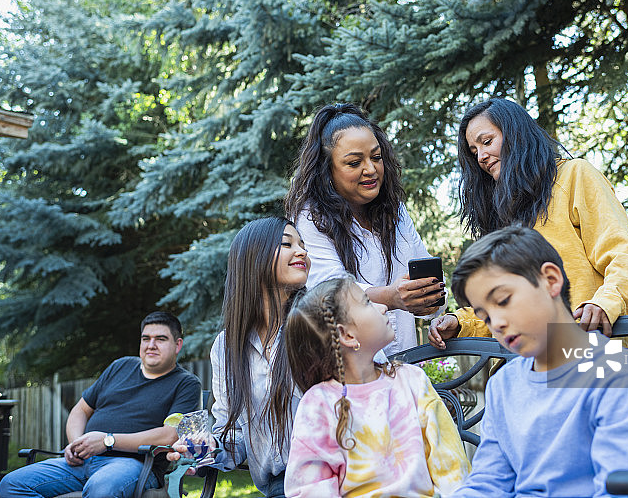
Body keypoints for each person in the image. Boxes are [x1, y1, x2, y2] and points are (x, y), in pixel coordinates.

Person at [449, 226, 628, 497]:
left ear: (551, 280)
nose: (498, 324)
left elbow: (623, 490)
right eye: (486, 318)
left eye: (503, 301)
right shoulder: (503, 384)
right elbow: (489, 482)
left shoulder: (618, 372)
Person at [429, 97, 628, 353]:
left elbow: (623, 254)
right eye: (474, 151)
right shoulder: (502, 211)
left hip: (598, 350)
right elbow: (504, 299)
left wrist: (605, 303)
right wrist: (460, 322)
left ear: (516, 134)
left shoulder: (575, 175)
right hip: (531, 366)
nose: (481, 156)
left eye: (487, 142)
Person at [285, 103, 451, 356]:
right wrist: (390, 297)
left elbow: (424, 266)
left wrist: (434, 307)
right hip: (349, 369)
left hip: (404, 368)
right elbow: (329, 289)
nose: (371, 170)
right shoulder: (311, 217)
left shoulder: (396, 211)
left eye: (376, 157)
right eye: (354, 163)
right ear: (327, 171)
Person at [284, 276, 470, 497]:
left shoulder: (412, 381)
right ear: (347, 335)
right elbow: (310, 489)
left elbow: (451, 465)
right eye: (366, 302)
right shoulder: (318, 405)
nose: (383, 307)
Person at [169, 217, 310, 498]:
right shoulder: (227, 347)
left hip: (339, 476)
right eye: (287, 244)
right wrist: (207, 447)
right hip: (278, 486)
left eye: (303, 244)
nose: (302, 251)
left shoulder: (320, 321)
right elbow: (234, 435)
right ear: (253, 259)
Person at [0, 312, 201, 498]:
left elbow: (170, 435)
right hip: (82, 462)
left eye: (161, 339)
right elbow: (81, 410)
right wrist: (76, 444)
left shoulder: (185, 383)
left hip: (133, 465)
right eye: (146, 338)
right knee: (11, 485)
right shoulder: (120, 366)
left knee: (102, 489)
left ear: (177, 345)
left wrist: (107, 441)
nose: (151, 345)